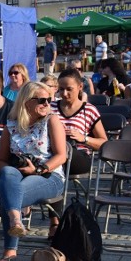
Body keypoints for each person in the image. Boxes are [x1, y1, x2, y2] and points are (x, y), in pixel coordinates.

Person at [0, 82, 67, 261]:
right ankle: (16, 219)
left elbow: (61, 156)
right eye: (42, 100)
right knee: (6, 174)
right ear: (26, 102)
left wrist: (37, 168)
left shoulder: (51, 121)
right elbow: (1, 161)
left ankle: (9, 256)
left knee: (9, 196)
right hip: (18, 176)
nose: (47, 104)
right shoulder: (11, 126)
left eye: (49, 99)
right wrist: (13, 170)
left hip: (49, 176)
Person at [49, 69, 107, 234]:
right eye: (60, 89)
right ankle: (54, 222)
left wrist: (84, 138)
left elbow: (104, 143)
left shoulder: (89, 110)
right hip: (54, 157)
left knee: (59, 158)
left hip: (79, 156)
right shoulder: (51, 107)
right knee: (53, 168)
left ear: (80, 87)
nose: (64, 93)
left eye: (69, 89)